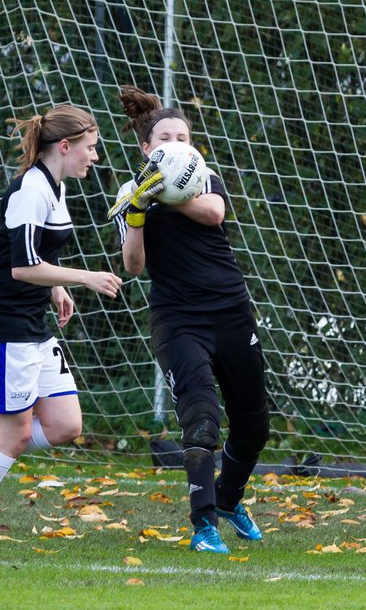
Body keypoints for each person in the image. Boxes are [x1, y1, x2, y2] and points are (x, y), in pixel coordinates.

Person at [0, 105, 123, 561]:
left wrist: (57, 286)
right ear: (65, 146)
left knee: (64, 425)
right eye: (90, 148)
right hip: (0, 328)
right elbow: (21, 267)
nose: (94, 157)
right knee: (14, 435)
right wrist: (83, 277)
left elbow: (33, 254)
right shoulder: (29, 191)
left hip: (31, 326)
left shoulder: (55, 187)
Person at [108, 85, 271, 554]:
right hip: (178, 320)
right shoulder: (129, 194)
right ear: (146, 148)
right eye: (164, 138)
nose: (175, 145)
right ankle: (204, 527)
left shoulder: (204, 178)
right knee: (200, 418)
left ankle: (227, 499)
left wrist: (160, 194)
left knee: (254, 426)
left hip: (231, 312)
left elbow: (214, 212)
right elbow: (134, 266)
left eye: (183, 137)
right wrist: (137, 209)